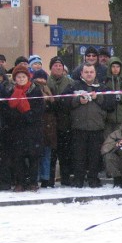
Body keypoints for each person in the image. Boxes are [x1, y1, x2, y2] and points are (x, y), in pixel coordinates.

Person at [66, 63, 112, 188]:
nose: (89, 74)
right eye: (86, 72)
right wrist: (78, 101)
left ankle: (93, 179)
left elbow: (111, 104)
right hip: (78, 127)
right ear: (81, 73)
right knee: (78, 156)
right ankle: (78, 179)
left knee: (94, 157)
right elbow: (63, 102)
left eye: (91, 72)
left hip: (96, 128)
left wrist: (98, 98)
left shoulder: (102, 87)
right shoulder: (73, 86)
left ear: (95, 73)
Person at [0, 65, 44, 192]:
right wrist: (17, 117)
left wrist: (27, 115)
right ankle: (20, 182)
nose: (21, 79)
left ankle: (33, 182)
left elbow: (39, 109)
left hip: (33, 129)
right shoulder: (10, 91)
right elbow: (7, 109)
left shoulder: (35, 90)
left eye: (23, 76)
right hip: (16, 129)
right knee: (18, 157)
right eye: (18, 77)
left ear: (28, 77)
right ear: (14, 78)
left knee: (33, 157)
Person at [47, 56, 73, 186]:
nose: (58, 68)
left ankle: (66, 179)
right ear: (51, 67)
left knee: (65, 154)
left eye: (60, 66)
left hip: (65, 122)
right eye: (55, 65)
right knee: (51, 154)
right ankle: (49, 179)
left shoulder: (69, 82)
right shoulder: (46, 82)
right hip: (50, 123)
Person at [104, 56, 122, 139]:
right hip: (108, 118)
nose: (115, 69)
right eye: (113, 67)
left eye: (117, 67)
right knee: (109, 140)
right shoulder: (105, 81)